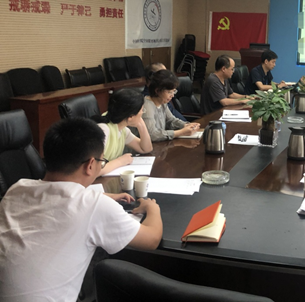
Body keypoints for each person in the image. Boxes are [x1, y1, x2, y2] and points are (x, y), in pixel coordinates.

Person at [0, 117, 163, 302]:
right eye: (102, 162)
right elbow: (152, 240)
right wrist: (152, 207)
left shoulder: (16, 189)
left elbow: (59, 198)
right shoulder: (94, 205)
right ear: (91, 165)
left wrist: (104, 197)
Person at [92, 88, 153, 176]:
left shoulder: (122, 129)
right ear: (130, 116)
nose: (143, 113)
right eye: (142, 110)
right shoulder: (104, 130)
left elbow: (146, 149)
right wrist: (120, 161)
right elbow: (93, 170)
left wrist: (141, 125)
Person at [143, 69, 200, 142]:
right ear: (157, 91)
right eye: (169, 92)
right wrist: (180, 132)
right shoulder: (146, 107)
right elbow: (152, 135)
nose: (172, 95)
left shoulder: (163, 102)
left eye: (174, 91)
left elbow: (171, 120)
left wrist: (186, 125)